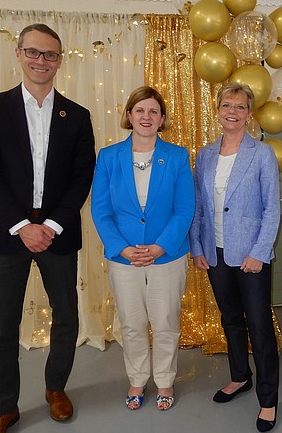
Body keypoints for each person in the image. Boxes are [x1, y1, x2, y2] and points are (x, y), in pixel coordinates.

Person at [0, 23, 95, 433]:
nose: (42, 61)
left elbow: (82, 176)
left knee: (66, 317)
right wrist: (24, 225)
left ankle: (56, 388)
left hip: (59, 230)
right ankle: (4, 406)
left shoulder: (77, 116)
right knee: (2, 325)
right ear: (19, 54)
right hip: (7, 232)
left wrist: (52, 225)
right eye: (34, 53)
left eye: (50, 54)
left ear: (60, 61)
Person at [91, 86, 195, 412]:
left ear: (162, 119)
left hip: (167, 256)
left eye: (153, 111)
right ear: (129, 116)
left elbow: (184, 209)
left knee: (165, 321)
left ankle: (164, 380)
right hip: (124, 258)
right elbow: (100, 209)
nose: (146, 117)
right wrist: (121, 248)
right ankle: (137, 378)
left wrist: (161, 247)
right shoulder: (108, 157)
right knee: (132, 323)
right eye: (140, 110)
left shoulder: (177, 157)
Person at [189, 83, 281, 432]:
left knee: (259, 326)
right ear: (217, 109)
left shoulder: (262, 154)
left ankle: (268, 398)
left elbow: (272, 209)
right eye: (226, 104)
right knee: (231, 319)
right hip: (215, 251)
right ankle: (240, 377)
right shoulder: (206, 155)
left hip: (250, 255)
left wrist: (259, 252)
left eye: (240, 106)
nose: (232, 111)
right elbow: (199, 206)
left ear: (249, 113)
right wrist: (197, 247)